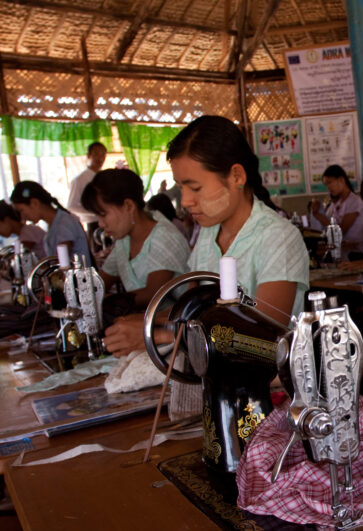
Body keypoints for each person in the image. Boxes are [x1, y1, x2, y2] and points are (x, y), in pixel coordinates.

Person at [102, 115, 309, 355]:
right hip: (211, 364)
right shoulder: (209, 232)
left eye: (196, 188)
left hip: (265, 380)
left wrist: (157, 335)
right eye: (182, 188)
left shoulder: (278, 238)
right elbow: (190, 309)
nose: (186, 201)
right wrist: (146, 321)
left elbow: (262, 341)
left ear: (236, 177)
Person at [81, 169, 190, 308]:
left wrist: (106, 300)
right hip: (145, 322)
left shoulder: (164, 237)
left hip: (178, 325)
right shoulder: (124, 241)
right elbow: (101, 281)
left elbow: (153, 294)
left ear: (129, 206)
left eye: (103, 214)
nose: (101, 223)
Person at [10, 181, 91, 262]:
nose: (22, 217)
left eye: (21, 210)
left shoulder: (63, 223)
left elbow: (60, 262)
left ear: (35, 203)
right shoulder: (53, 224)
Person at [309, 164, 363, 255]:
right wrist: (318, 210)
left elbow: (340, 231)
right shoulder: (335, 204)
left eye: (330, 182)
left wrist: (318, 216)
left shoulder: (355, 201)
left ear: (341, 180)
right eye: (326, 184)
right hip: (340, 251)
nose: (328, 187)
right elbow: (326, 226)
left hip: (355, 253)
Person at [67, 142, 107, 228]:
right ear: (88, 156)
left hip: (109, 221)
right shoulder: (79, 180)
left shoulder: (105, 177)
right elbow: (71, 206)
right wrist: (96, 212)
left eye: (103, 155)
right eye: (96, 154)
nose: (100, 158)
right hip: (93, 223)